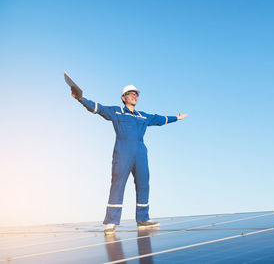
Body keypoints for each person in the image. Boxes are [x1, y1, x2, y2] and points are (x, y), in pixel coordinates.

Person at [71, 85, 187, 234]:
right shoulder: (116, 111)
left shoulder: (143, 116)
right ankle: (111, 222)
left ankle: (143, 219)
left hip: (140, 152)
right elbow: (97, 108)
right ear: (123, 97)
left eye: (136, 95)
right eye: (130, 94)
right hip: (123, 151)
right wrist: (80, 98)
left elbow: (159, 119)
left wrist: (176, 118)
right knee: (118, 184)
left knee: (143, 183)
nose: (134, 96)